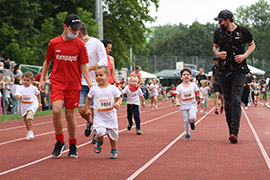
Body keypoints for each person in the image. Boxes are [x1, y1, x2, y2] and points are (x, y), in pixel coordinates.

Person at [39, 14, 93, 158]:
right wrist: (42, 79)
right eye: (73, 29)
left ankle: (73, 144)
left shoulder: (80, 45)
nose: (75, 32)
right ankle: (59, 141)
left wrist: (90, 82)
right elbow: (47, 61)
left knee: (70, 115)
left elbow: (83, 65)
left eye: (77, 30)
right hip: (57, 83)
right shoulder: (54, 43)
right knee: (56, 112)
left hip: (74, 84)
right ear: (65, 27)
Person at [213, 9, 255, 143]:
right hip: (223, 70)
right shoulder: (218, 32)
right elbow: (214, 47)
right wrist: (217, 54)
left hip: (239, 70)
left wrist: (243, 56)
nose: (219, 22)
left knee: (236, 100)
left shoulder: (243, 31)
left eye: (221, 20)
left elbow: (252, 45)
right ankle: (230, 129)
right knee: (228, 102)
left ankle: (235, 131)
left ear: (228, 20)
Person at [77, 23, 107, 142]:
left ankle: (96, 131)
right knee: (82, 110)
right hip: (81, 82)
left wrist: (91, 68)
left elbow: (104, 60)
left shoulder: (96, 43)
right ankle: (89, 122)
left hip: (95, 82)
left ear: (79, 32)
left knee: (95, 110)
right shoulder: (75, 44)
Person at [85, 66, 122, 159]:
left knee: (113, 135)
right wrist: (87, 108)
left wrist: (118, 103)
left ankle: (114, 150)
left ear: (108, 76)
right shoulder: (94, 89)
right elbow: (88, 98)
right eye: (96, 75)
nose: (98, 77)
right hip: (99, 117)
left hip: (111, 117)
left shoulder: (113, 88)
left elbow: (119, 98)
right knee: (100, 132)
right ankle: (100, 141)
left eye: (101, 75)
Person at [175, 68, 203, 141]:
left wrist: (200, 95)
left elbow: (198, 91)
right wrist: (177, 102)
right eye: (184, 75)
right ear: (181, 77)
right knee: (186, 120)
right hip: (183, 105)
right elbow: (177, 97)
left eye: (188, 74)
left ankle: (192, 122)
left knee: (192, 117)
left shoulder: (193, 85)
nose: (186, 76)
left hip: (192, 104)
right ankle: (187, 134)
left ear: (191, 76)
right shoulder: (179, 87)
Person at [15, 72, 41, 140]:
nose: (25, 82)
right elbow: (17, 94)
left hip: (32, 105)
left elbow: (38, 94)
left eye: (28, 80)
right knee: (26, 119)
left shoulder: (33, 88)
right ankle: (29, 131)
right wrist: (18, 97)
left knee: (29, 117)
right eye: (24, 80)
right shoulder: (20, 88)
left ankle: (30, 131)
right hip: (24, 105)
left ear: (31, 81)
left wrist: (39, 103)